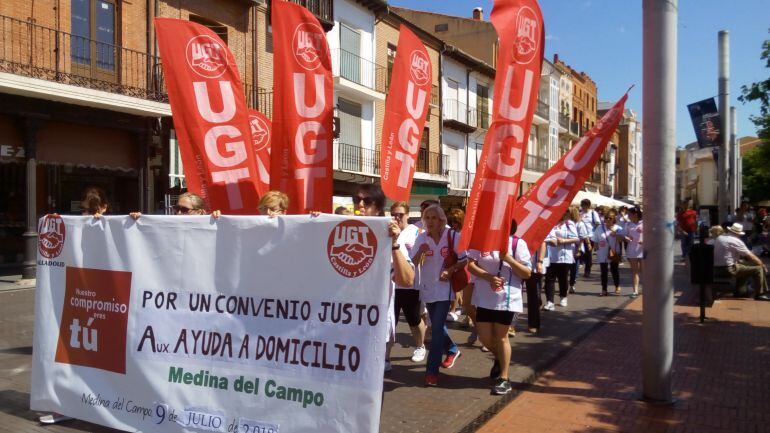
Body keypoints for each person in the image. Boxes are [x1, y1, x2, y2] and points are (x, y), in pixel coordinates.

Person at [352, 185, 415, 372]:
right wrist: (315, 223)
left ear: (378, 208)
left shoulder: (389, 236)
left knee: (370, 382)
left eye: (367, 201)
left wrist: (394, 245)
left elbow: (407, 280)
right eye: (357, 200)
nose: (360, 204)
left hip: (374, 323)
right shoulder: (341, 228)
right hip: (346, 322)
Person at [467, 219, 532, 395]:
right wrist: (488, 277)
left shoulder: (518, 243)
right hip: (484, 298)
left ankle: (504, 378)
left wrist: (508, 259)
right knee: (485, 339)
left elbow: (527, 273)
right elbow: (470, 265)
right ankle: (500, 359)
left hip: (507, 299)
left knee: (501, 337)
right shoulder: (481, 242)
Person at [411, 204, 467, 386]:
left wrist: (451, 270)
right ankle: (451, 349)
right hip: (427, 288)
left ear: (442, 219)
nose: (430, 221)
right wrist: (420, 250)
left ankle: (431, 371)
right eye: (427, 218)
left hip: (444, 290)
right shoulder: (421, 238)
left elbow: (464, 259)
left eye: (434, 218)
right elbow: (412, 262)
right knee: (437, 325)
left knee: (435, 330)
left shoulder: (452, 236)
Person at [390, 201, 427, 364]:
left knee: (413, 318)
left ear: (407, 215)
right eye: (394, 214)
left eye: (400, 214)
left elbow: (422, 257)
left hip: (411, 283)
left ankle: (420, 346)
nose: (397, 217)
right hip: (391, 283)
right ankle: (385, 358)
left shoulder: (416, 232)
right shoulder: (388, 230)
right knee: (391, 321)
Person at [713, 223, 770, 301]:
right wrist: (762, 265)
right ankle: (761, 294)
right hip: (729, 269)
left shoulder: (720, 238)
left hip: (716, 269)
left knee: (743, 267)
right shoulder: (736, 241)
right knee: (758, 269)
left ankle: (741, 291)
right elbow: (751, 256)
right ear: (738, 233)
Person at [543, 210, 580, 310]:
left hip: (564, 256)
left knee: (562, 278)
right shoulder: (550, 222)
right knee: (549, 279)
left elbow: (576, 238)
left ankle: (563, 296)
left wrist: (563, 240)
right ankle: (550, 301)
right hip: (550, 255)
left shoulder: (569, 224)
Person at [593, 210, 624, 296]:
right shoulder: (599, 228)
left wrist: (615, 234)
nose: (608, 220)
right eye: (606, 218)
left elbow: (621, 240)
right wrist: (596, 248)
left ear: (614, 219)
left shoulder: (618, 228)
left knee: (614, 270)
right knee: (604, 271)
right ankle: (604, 289)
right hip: (602, 253)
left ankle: (617, 286)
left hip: (614, 252)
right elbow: (595, 239)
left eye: (610, 218)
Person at [446, 209, 467, 322]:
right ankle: (459, 308)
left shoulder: (464, 233)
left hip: (466, 263)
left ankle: (464, 312)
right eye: (452, 221)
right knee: (456, 287)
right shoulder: (451, 232)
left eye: (456, 221)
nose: (453, 223)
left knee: (463, 288)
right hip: (456, 262)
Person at [525, 242, 547, 333]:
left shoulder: (537, 228)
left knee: (533, 296)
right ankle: (511, 325)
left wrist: (540, 261)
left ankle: (533, 324)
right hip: (517, 263)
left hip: (533, 266)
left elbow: (542, 242)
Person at [567, 206, 590, 294]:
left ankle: (572, 285)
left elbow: (582, 238)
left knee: (573, 269)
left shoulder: (579, 224)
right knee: (566, 269)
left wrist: (579, 249)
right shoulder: (565, 223)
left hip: (575, 248)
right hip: (566, 248)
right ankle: (566, 285)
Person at [623, 207, 643, 298]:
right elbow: (624, 235)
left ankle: (647, 289)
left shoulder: (644, 223)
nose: (628, 216)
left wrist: (645, 241)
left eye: (629, 214)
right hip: (632, 250)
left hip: (643, 250)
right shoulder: (628, 224)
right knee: (634, 271)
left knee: (644, 271)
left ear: (635, 214)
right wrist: (628, 238)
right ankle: (635, 290)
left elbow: (651, 235)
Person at [579, 199, 600, 277]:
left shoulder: (593, 213)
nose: (582, 207)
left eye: (583, 205)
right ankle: (585, 264)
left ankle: (587, 271)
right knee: (581, 253)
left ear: (587, 205)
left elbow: (598, 224)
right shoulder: (581, 213)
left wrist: (596, 235)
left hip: (591, 236)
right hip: (582, 236)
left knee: (588, 253)